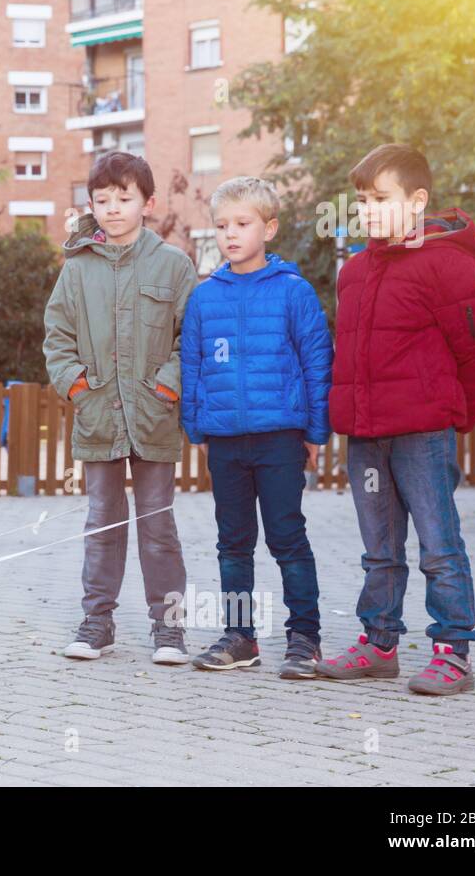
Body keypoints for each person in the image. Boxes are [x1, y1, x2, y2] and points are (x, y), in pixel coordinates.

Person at [317, 144, 475, 696]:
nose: (368, 210)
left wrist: (450, 415)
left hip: (424, 434)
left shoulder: (448, 266)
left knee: (439, 546)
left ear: (417, 200)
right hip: (367, 437)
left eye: (381, 198)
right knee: (379, 549)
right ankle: (379, 643)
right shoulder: (354, 272)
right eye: (362, 200)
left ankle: (453, 650)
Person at [43, 152, 196, 665]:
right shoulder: (77, 269)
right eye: (102, 200)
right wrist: (79, 388)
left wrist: (167, 388)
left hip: (154, 417)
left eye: (124, 199)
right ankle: (97, 623)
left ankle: (169, 629)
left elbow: (189, 341)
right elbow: (57, 340)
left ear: (147, 203)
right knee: (102, 523)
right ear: (90, 204)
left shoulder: (174, 266)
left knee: (159, 528)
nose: (112, 208)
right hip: (98, 417)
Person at [180, 177, 333, 678]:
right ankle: (240, 637)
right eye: (222, 225)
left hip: (280, 438)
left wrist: (315, 428)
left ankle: (304, 638)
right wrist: (196, 425)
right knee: (233, 541)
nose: (230, 234)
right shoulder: (205, 298)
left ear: (268, 228)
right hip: (225, 439)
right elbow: (193, 363)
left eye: (242, 224)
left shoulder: (294, 291)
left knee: (287, 537)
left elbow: (316, 360)